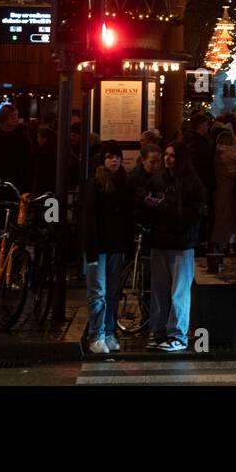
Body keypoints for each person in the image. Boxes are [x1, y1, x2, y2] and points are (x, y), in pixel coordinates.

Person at [139, 142, 205, 352]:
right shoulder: (158, 179)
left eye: (173, 155)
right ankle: (158, 331)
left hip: (180, 243)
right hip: (161, 241)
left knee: (178, 292)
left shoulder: (192, 183)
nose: (168, 159)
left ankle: (178, 334)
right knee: (159, 291)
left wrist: (161, 206)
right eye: (167, 154)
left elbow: (192, 215)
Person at [79, 142, 134, 355]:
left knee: (112, 292)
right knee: (98, 292)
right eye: (110, 157)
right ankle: (97, 334)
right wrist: (90, 249)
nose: (115, 160)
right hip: (100, 246)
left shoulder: (124, 183)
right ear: (103, 160)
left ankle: (109, 331)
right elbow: (89, 219)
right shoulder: (95, 184)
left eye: (118, 157)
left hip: (116, 246)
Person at [210, 130, 236, 264]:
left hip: (220, 193)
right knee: (235, 224)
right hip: (233, 194)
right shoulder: (233, 156)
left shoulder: (216, 155)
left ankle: (217, 257)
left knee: (221, 223)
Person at [0, 105, 34, 193]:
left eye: (16, 115)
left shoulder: (22, 136)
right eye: (12, 116)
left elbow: (28, 161)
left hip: (17, 180)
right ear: (4, 117)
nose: (15, 118)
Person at [186, 112, 216, 248]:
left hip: (200, 183)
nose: (207, 127)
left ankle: (199, 241)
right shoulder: (197, 143)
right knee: (200, 214)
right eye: (206, 125)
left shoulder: (194, 141)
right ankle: (198, 243)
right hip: (201, 184)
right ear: (200, 126)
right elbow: (201, 165)